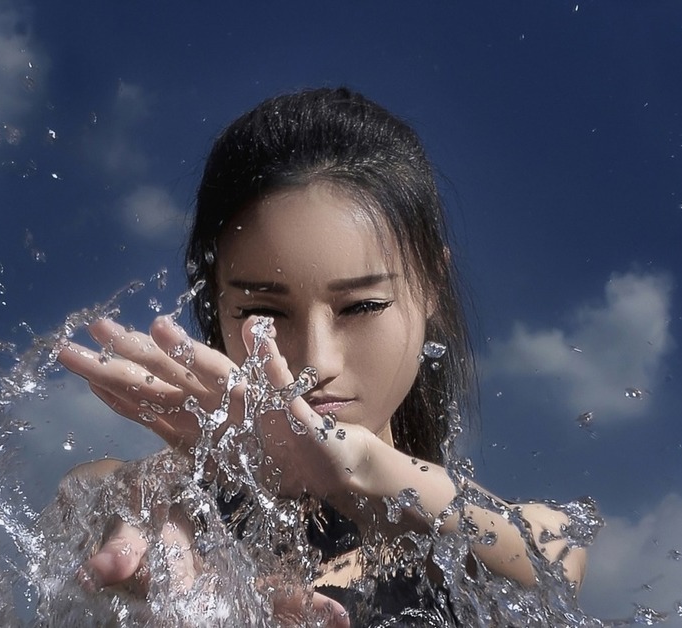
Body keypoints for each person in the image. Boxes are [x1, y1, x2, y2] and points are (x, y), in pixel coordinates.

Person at [56, 87, 589, 626]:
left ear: (430, 285)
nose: (316, 361)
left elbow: (555, 555)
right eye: (264, 311)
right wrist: (147, 503)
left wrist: (357, 468)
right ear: (214, 302)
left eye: (362, 306)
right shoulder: (171, 494)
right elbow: (86, 489)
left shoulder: (449, 523)